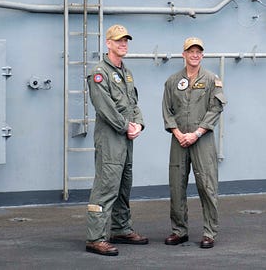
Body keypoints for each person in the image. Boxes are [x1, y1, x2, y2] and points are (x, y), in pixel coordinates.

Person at [85, 24, 148, 256]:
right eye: (119, 40)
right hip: (111, 138)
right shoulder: (99, 72)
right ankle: (96, 237)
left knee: (123, 185)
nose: (123, 44)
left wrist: (139, 124)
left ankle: (121, 229)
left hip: (126, 138)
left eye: (126, 40)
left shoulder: (125, 72)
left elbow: (133, 103)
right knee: (106, 186)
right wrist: (126, 126)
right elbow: (105, 108)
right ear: (108, 43)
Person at [162, 37, 227, 249]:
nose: (195, 55)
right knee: (177, 186)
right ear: (184, 54)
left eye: (199, 51)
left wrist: (196, 133)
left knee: (207, 186)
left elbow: (215, 109)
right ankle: (179, 231)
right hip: (178, 140)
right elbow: (167, 110)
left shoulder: (211, 80)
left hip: (202, 141)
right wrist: (178, 133)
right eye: (191, 51)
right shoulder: (172, 82)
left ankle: (209, 232)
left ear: (202, 55)